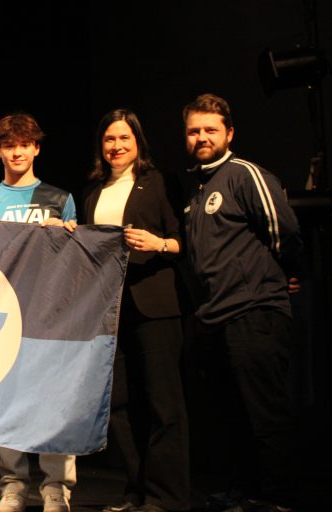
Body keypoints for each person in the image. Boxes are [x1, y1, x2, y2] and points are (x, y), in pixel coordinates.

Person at [182, 93, 302, 512]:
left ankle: (277, 497)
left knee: (263, 413)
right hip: (215, 318)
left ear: (229, 133)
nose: (202, 137)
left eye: (210, 129)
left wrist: (283, 276)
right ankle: (245, 491)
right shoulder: (197, 188)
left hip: (255, 312)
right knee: (231, 416)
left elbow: (283, 231)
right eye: (194, 130)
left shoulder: (244, 174)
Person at [0, 113, 77, 512]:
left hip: (50, 313)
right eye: (9, 145)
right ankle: (12, 485)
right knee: (6, 401)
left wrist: (64, 236)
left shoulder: (60, 199)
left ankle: (56, 488)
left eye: (25, 144)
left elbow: (77, 261)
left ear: (36, 148)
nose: (17, 152)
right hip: (2, 315)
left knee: (53, 402)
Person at [82, 109, 189, 512]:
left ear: (138, 142)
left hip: (156, 306)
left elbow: (184, 242)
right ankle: (137, 490)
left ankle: (168, 498)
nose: (116, 146)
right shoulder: (92, 192)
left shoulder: (159, 183)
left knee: (164, 404)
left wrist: (158, 243)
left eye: (124, 138)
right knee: (122, 405)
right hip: (111, 310)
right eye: (109, 139)